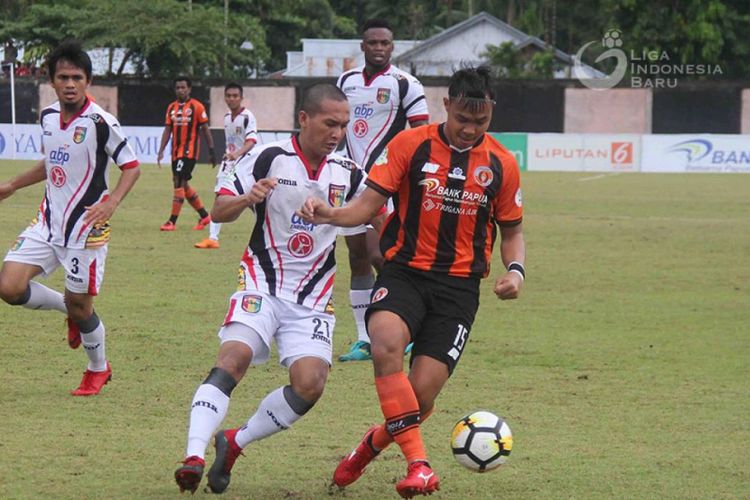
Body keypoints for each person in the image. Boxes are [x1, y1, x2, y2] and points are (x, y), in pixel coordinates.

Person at [298, 66, 525, 498]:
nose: (469, 130)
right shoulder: (410, 145)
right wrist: (330, 214)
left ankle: (368, 448)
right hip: (404, 274)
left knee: (419, 399)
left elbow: (512, 231)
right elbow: (366, 207)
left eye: (480, 122)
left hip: (459, 289)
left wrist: (515, 271)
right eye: (462, 118)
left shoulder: (501, 163)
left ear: (491, 114)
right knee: (383, 343)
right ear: (447, 106)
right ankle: (419, 465)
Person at [174, 83, 369, 494]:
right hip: (261, 283)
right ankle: (193, 455)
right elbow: (220, 209)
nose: (337, 133)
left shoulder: (348, 172)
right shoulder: (268, 155)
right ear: (304, 119)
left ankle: (235, 441)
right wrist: (248, 196)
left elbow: (371, 218)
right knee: (234, 358)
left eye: (344, 125)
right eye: (329, 123)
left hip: (313, 299)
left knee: (310, 384)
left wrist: (339, 217)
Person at [0, 40, 140, 395]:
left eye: (77, 77)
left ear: (88, 81)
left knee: (83, 306)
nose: (70, 84)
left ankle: (98, 367)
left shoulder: (101, 122)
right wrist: (14, 184)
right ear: (52, 80)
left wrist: (112, 203)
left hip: (86, 230)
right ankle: (69, 311)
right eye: (63, 77)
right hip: (48, 222)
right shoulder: (48, 117)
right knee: (8, 287)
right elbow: (53, 163)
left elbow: (132, 168)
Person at [336, 18, 429, 362]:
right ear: (363, 46)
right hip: (348, 183)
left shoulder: (406, 84)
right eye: (372, 43)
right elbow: (337, 125)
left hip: (387, 185)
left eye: (384, 43)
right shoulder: (345, 81)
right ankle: (363, 339)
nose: (378, 48)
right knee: (357, 257)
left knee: (383, 257)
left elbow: (422, 136)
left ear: (393, 47)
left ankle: (404, 329)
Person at [195, 83, 257, 249]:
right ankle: (212, 238)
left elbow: (251, 141)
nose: (231, 98)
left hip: (244, 163)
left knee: (253, 201)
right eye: (228, 95)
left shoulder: (247, 117)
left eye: (235, 95)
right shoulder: (226, 117)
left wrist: (237, 154)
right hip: (229, 164)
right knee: (221, 196)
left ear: (241, 97)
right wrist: (230, 157)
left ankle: (269, 229)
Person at [157, 76, 217, 231]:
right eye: (178, 87)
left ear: (189, 89)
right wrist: (162, 149)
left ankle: (172, 222)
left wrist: (211, 150)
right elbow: (168, 130)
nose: (180, 90)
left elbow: (205, 130)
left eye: (183, 87)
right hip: (176, 153)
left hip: (189, 153)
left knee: (178, 181)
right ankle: (204, 216)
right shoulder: (171, 107)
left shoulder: (197, 107)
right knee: (182, 184)